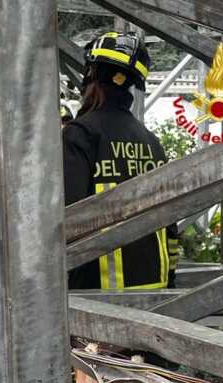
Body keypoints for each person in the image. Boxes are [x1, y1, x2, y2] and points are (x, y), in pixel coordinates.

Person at [63, 31, 179, 290]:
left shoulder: (80, 134)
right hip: (155, 291)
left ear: (90, 73)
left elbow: (67, 220)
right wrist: (169, 282)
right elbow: (171, 225)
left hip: (96, 296)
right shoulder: (151, 142)